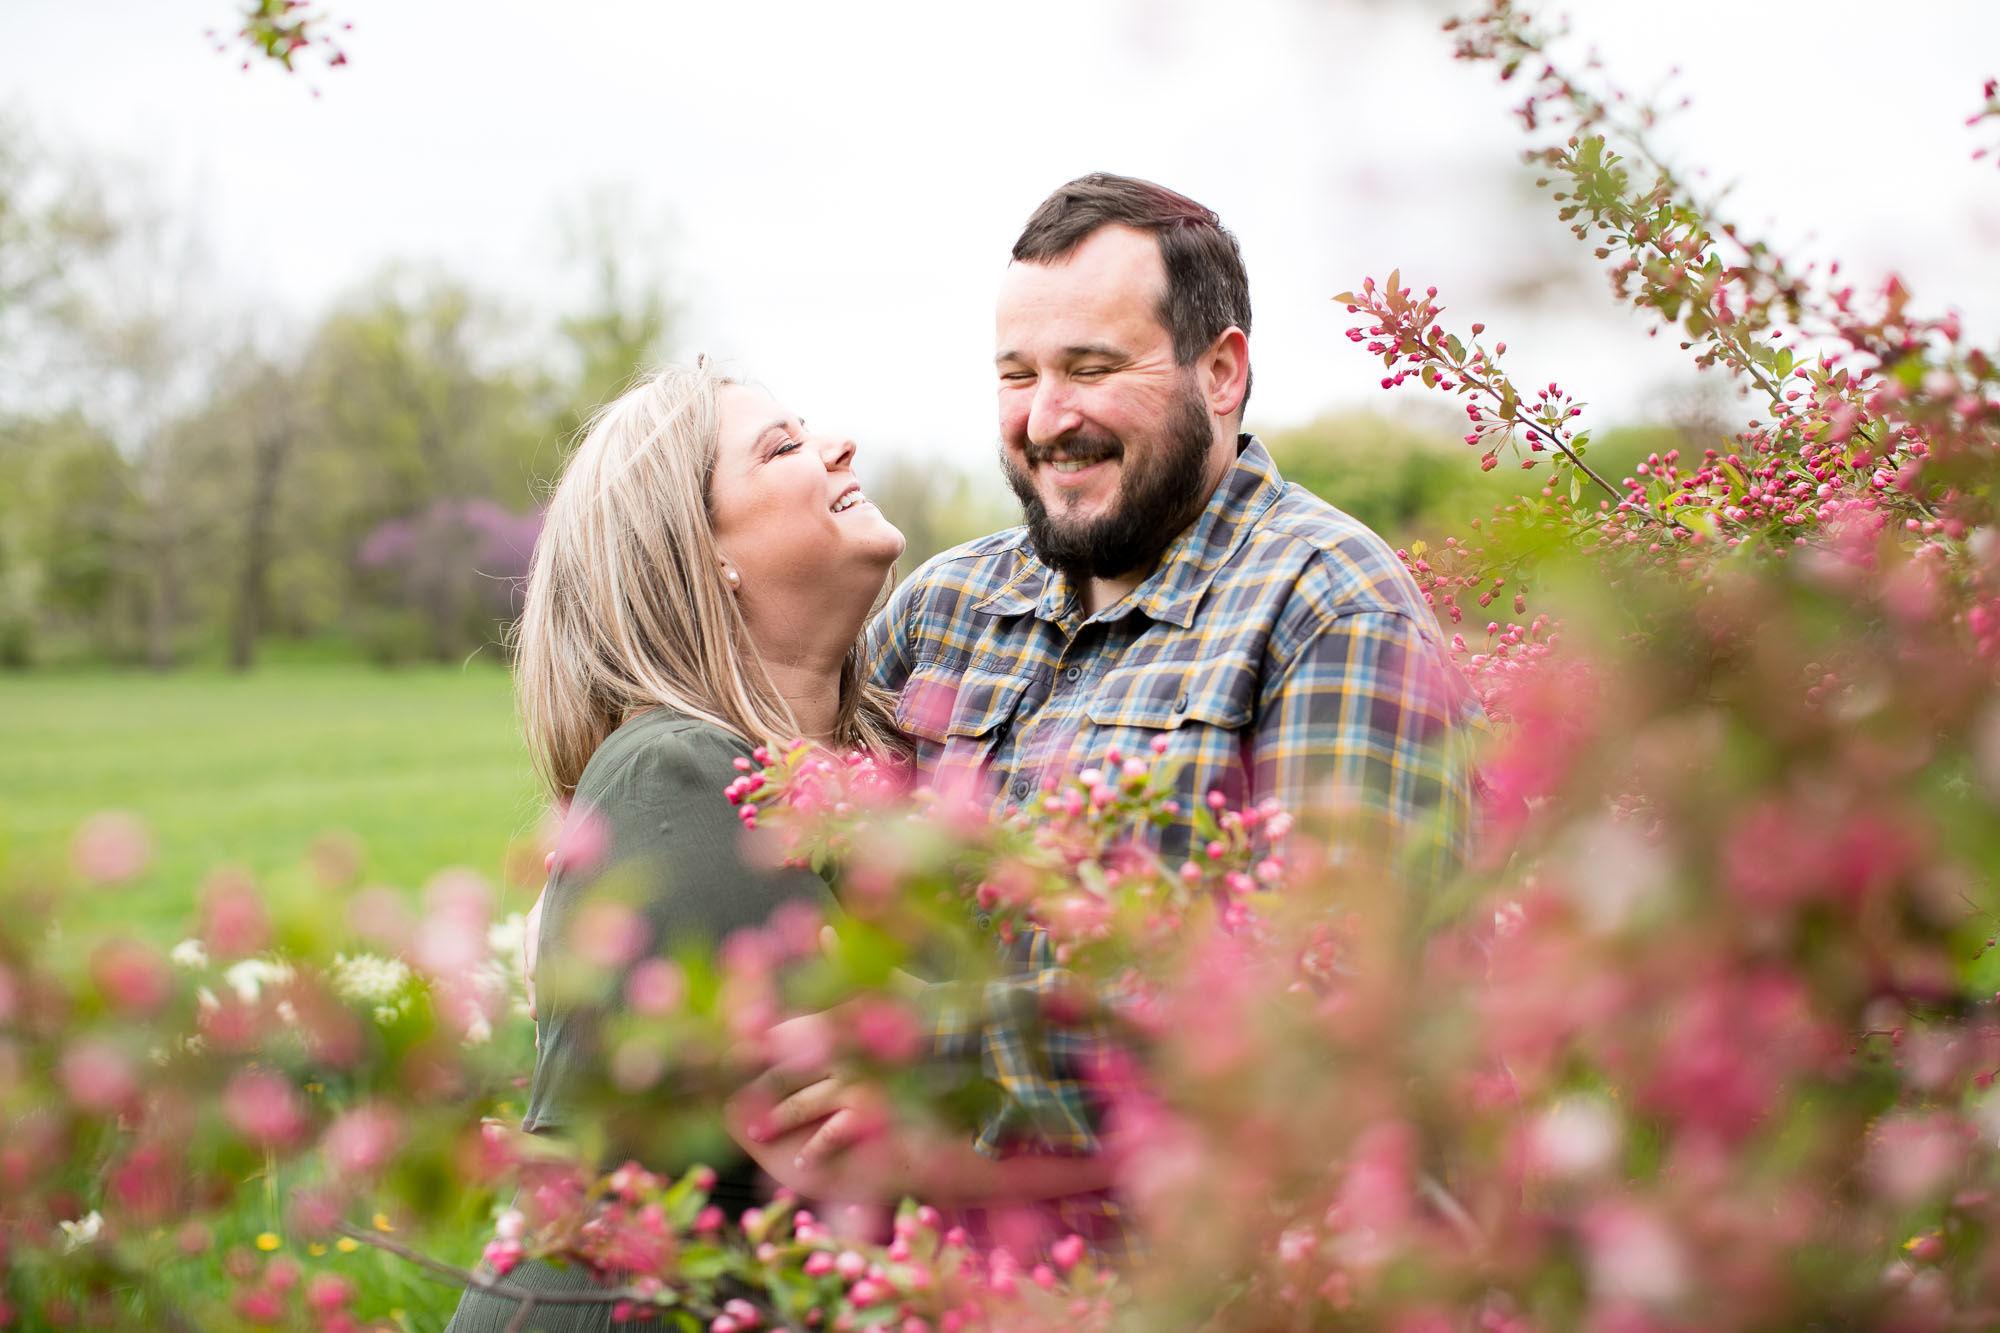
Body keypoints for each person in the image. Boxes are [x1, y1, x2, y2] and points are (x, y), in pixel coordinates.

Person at [771, 174, 1482, 1247]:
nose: (1047, 418)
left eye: (1091, 370)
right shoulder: (944, 608)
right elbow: (798, 847)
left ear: (1222, 372)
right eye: (1017, 375)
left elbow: (1325, 1010)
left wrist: (931, 1052)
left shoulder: (1326, 604)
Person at [449, 366, 1107, 1333]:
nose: (838, 446)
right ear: (702, 555)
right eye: (783, 446)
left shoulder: (855, 781)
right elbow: (860, 1158)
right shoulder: (671, 773)